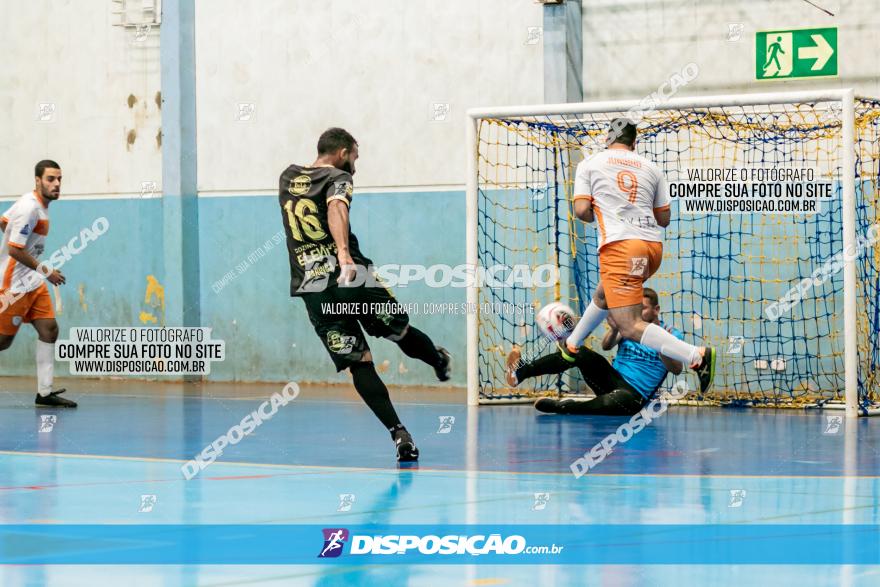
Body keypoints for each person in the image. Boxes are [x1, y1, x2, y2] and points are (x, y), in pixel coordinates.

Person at [280, 128, 450, 462]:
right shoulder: (339, 176)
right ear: (343, 152)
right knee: (398, 330)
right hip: (352, 277)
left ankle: (399, 433)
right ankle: (438, 360)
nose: (355, 164)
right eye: (355, 156)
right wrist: (343, 255)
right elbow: (336, 209)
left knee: (359, 362)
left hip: (313, 286)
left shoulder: (287, 177)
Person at [564, 118, 715, 394]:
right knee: (603, 296)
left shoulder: (590, 163)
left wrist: (602, 209)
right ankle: (572, 343)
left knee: (630, 325)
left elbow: (582, 210)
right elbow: (664, 218)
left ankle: (696, 356)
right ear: (635, 143)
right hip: (651, 250)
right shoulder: (652, 168)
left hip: (621, 247)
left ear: (607, 140)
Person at [507, 289, 683, 415]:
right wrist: (615, 330)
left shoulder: (671, 334)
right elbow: (606, 346)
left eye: (643, 309)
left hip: (633, 396)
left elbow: (676, 369)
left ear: (656, 309)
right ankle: (520, 373)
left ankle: (563, 407)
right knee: (579, 352)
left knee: (614, 400)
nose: (638, 313)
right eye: (636, 309)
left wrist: (663, 346)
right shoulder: (631, 327)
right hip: (611, 379)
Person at [0, 160, 76, 407]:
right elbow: (13, 250)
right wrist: (46, 270)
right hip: (14, 286)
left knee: (49, 330)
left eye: (59, 179)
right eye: (50, 179)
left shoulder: (37, 206)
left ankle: (44, 394)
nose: (56, 184)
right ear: (37, 180)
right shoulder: (29, 208)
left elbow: (4, 221)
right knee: (3, 342)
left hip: (33, 283)